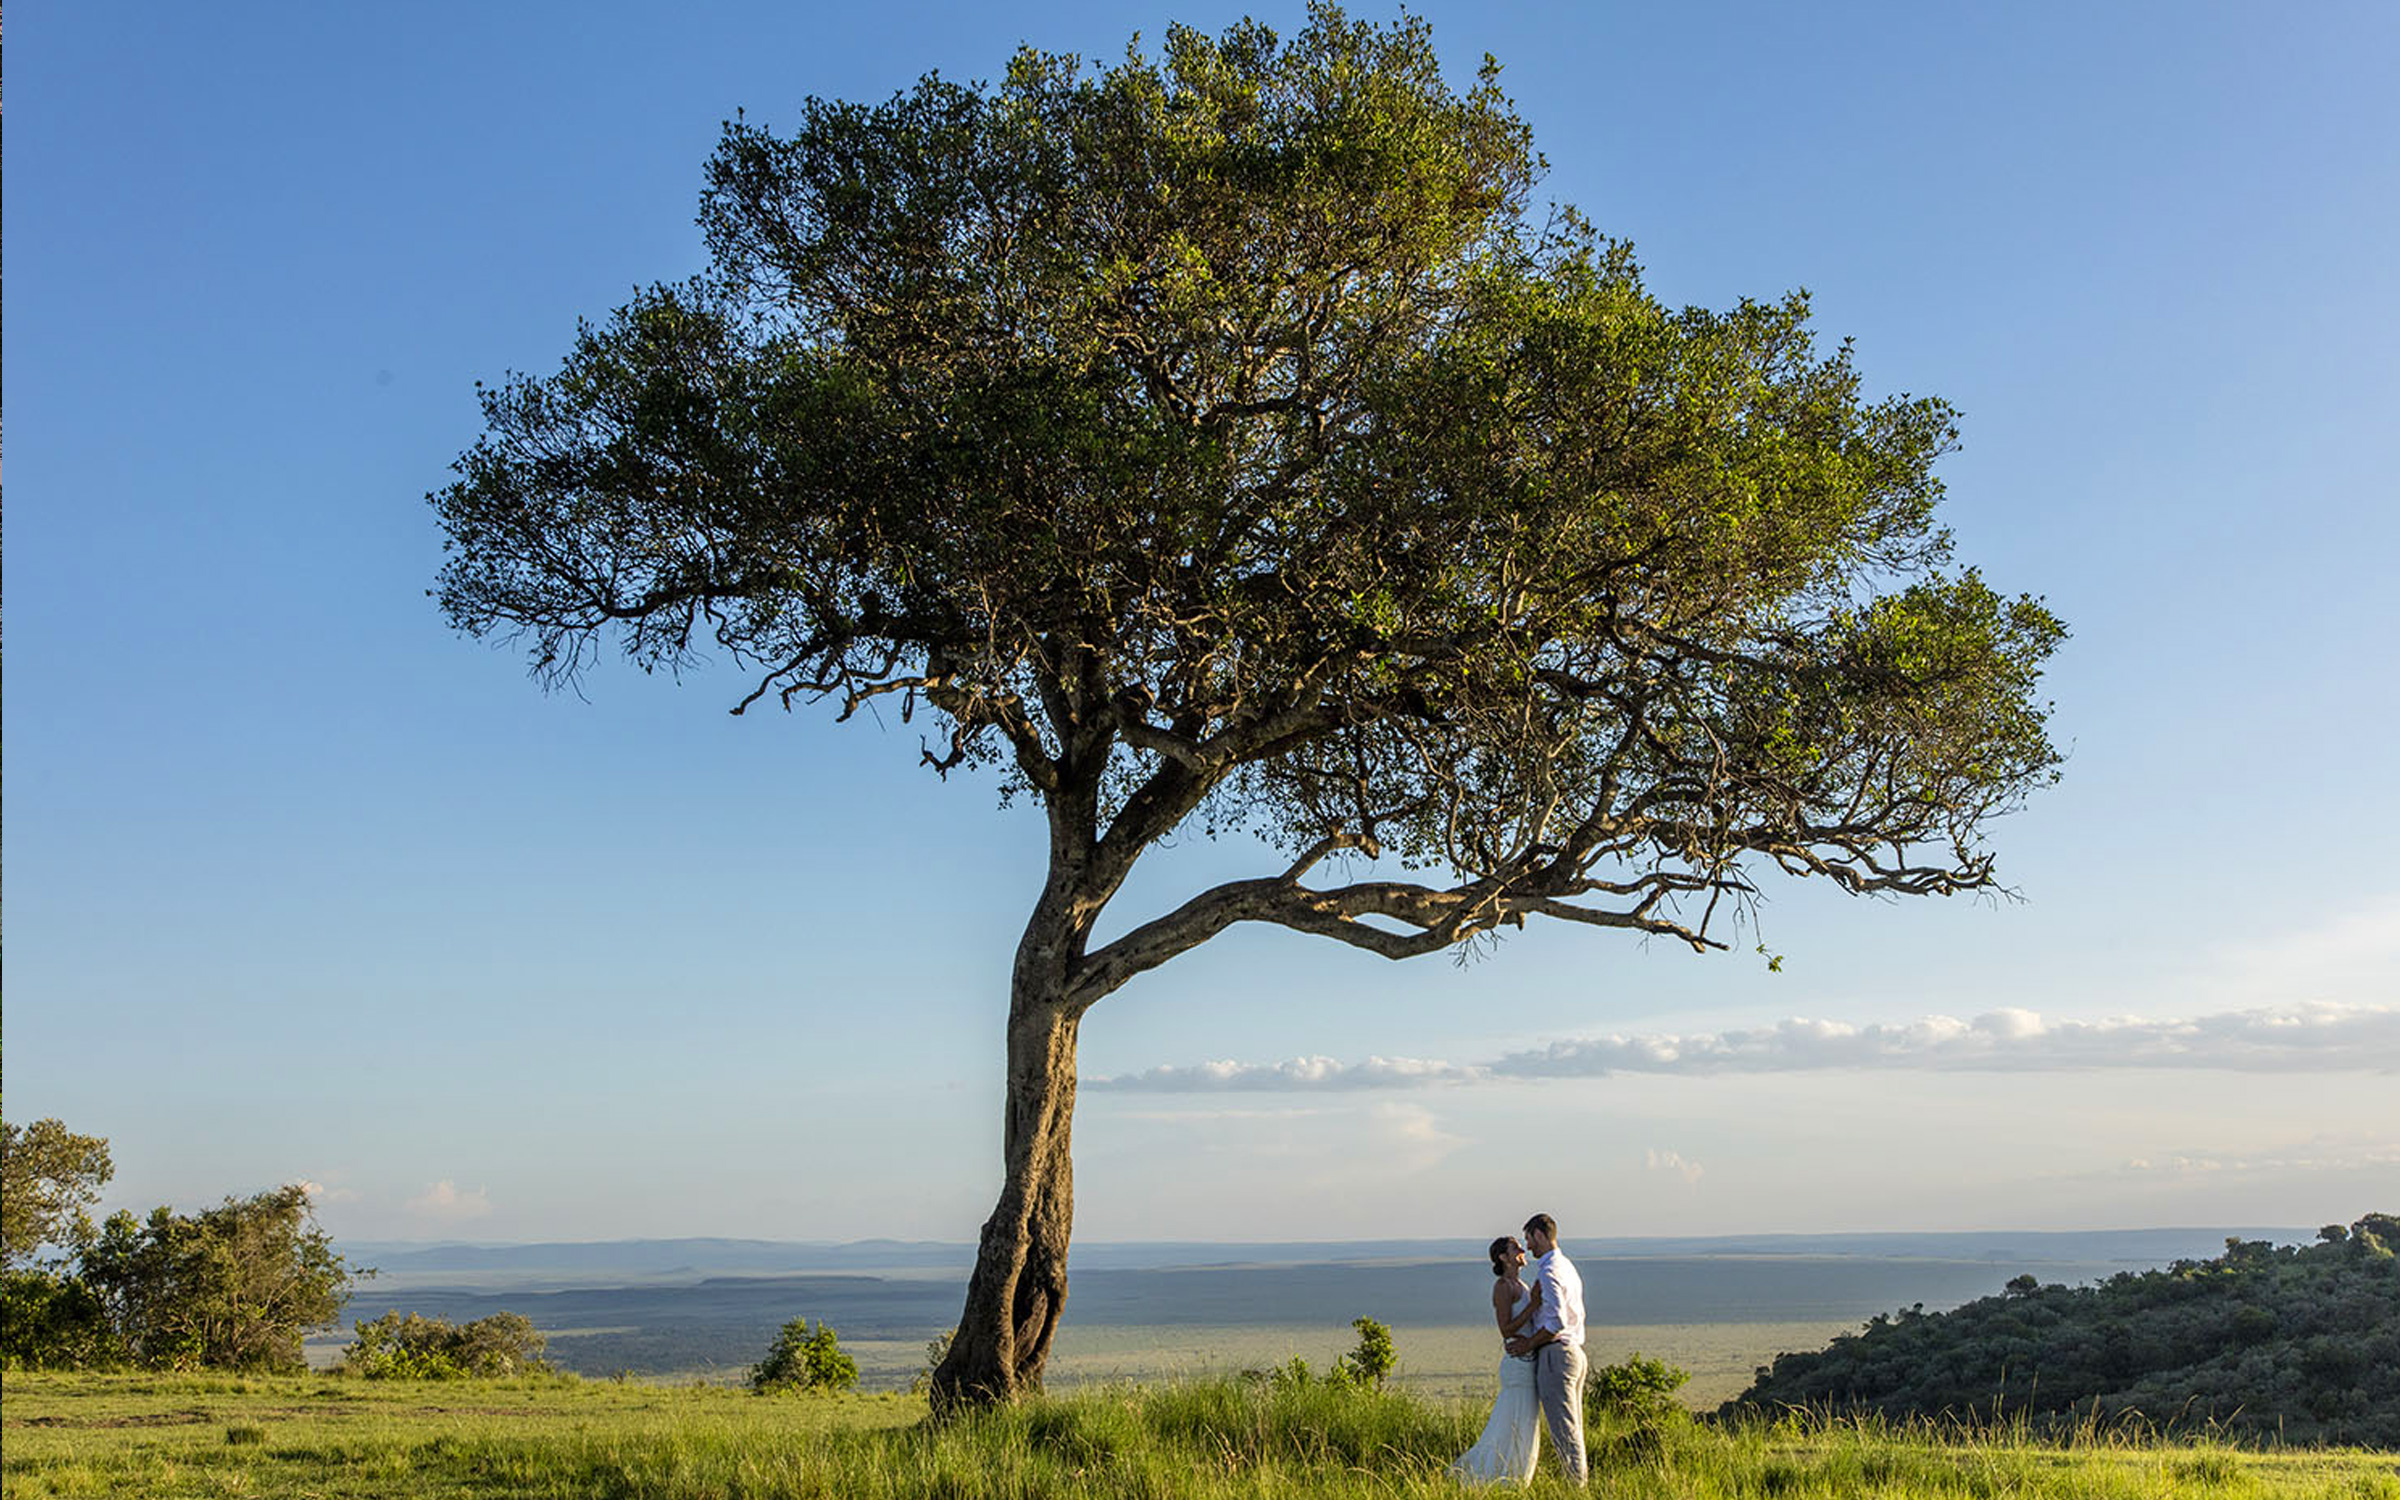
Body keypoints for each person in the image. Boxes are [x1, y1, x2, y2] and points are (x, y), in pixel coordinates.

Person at [1447, 1236, 1544, 1483]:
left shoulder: (1521, 1285)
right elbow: (1506, 1329)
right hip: (1518, 1364)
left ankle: (1514, 1473)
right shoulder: (1503, 1286)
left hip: (1528, 1360)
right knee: (1514, 1419)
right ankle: (1500, 1474)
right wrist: (1533, 1306)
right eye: (1515, 1248)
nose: (1522, 1250)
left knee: (1524, 1421)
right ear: (1503, 1257)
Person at [1504, 1213, 1587, 1484]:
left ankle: (1575, 1487)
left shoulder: (1549, 1270)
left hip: (1556, 1355)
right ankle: (1578, 1483)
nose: (1528, 1246)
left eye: (1529, 1238)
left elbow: (1557, 1321)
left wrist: (1528, 1343)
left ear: (1540, 1234)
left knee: (1564, 1428)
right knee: (1574, 1425)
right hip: (1573, 1351)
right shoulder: (1566, 1266)